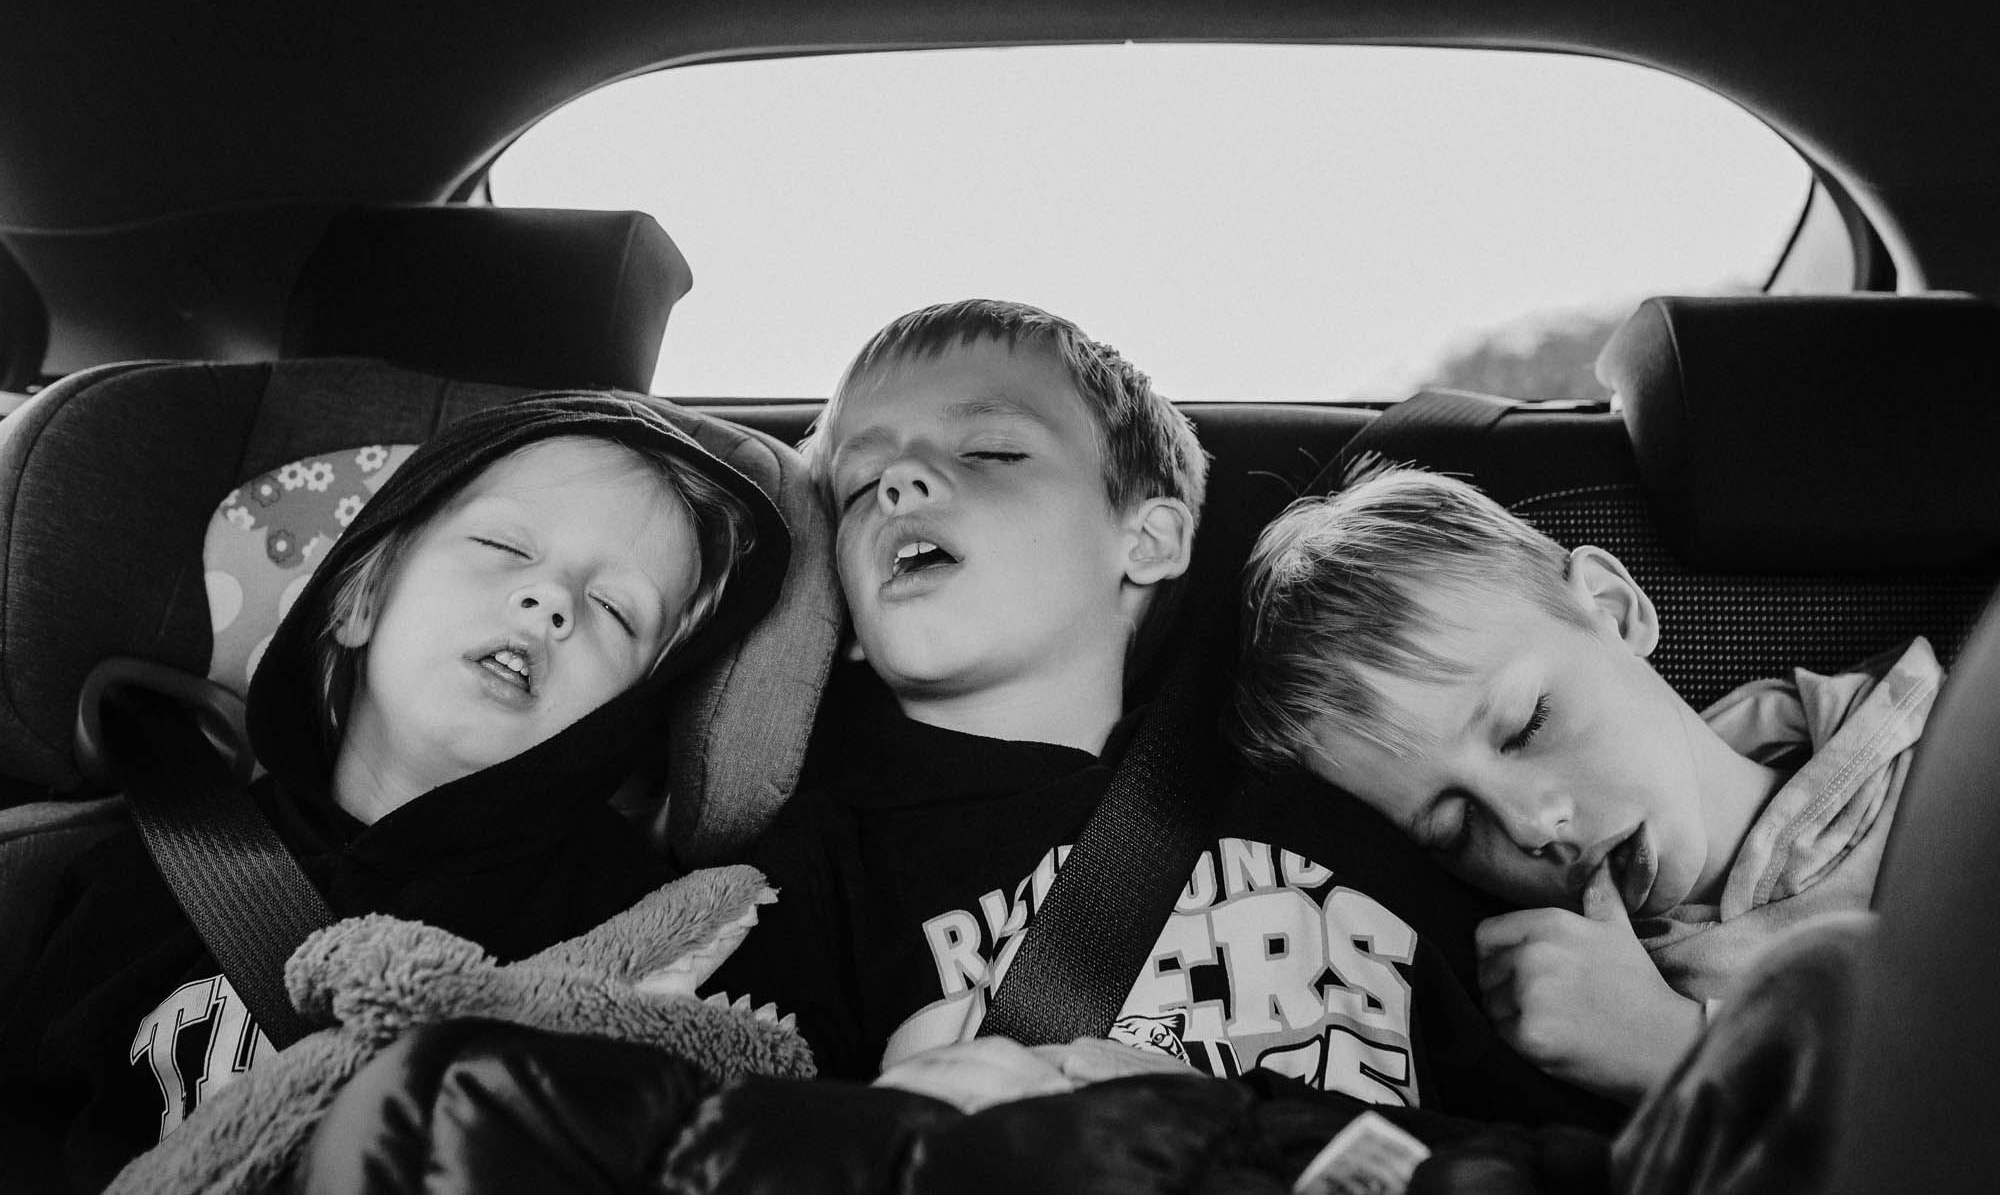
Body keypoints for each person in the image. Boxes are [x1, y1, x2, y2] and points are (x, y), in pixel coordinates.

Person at [715, 300, 1605, 1125]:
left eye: (988, 450)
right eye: (862, 481)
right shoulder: (818, 868)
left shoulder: (1329, 796)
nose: (901, 480)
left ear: (1146, 540)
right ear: (852, 619)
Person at [0, 391, 790, 1192]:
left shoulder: (644, 927)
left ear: (626, 718)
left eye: (616, 610)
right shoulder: (144, 878)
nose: (550, 601)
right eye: (503, 544)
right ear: (364, 598)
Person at [1227, 462, 1940, 1102]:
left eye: (1526, 724)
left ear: (1612, 607)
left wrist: (1677, 1049)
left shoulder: (1952, 761)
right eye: (1454, 830)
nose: (1530, 824)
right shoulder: (1557, 1011)